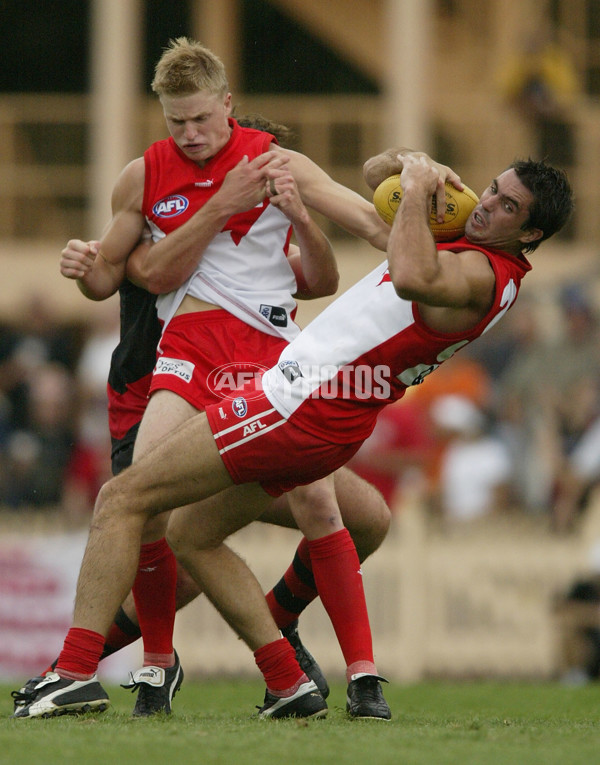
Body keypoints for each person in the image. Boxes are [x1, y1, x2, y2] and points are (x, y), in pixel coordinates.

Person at [12, 148, 574, 721]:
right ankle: (288, 679)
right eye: (493, 189)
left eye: (508, 207)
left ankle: (74, 672)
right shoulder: (472, 243)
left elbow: (408, 275)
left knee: (122, 497)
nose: (486, 206)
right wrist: (406, 164)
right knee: (191, 535)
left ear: (529, 232)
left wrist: (415, 198)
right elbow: (376, 185)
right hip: (325, 416)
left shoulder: (483, 271)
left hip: (296, 404)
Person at [15, 38, 398, 720]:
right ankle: (143, 665)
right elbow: (116, 277)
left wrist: (432, 213)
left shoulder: (277, 162)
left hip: (275, 359)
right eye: (175, 122)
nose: (190, 135)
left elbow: (363, 233)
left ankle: (340, 668)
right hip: (185, 352)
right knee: (140, 502)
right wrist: (87, 263)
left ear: (228, 104)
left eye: (201, 119)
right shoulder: (144, 175)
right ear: (160, 116)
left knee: (346, 513)